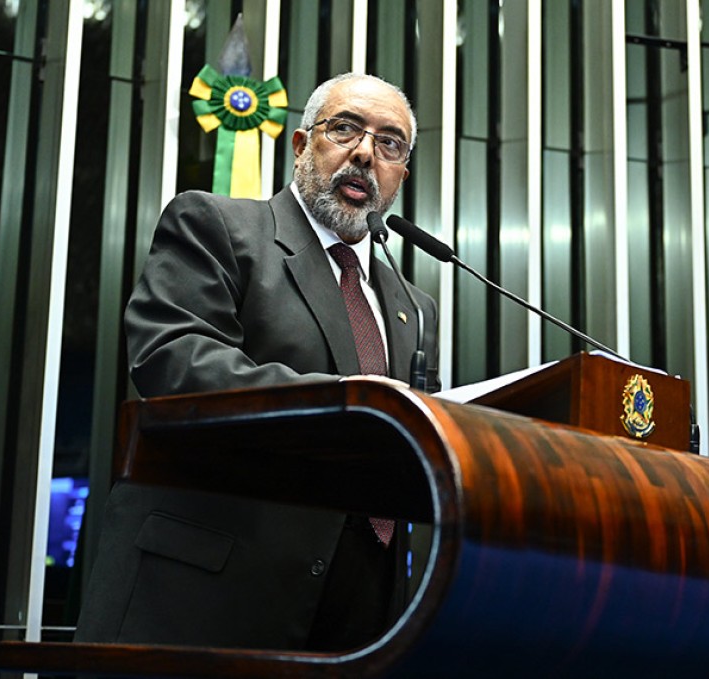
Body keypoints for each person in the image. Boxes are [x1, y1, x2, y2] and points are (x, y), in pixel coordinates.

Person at [75, 73, 439, 651]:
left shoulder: (412, 306)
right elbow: (173, 358)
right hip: (211, 596)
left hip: (364, 616)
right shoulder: (217, 225)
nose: (365, 153)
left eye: (389, 143)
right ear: (301, 144)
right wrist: (348, 401)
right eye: (345, 129)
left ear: (402, 173)